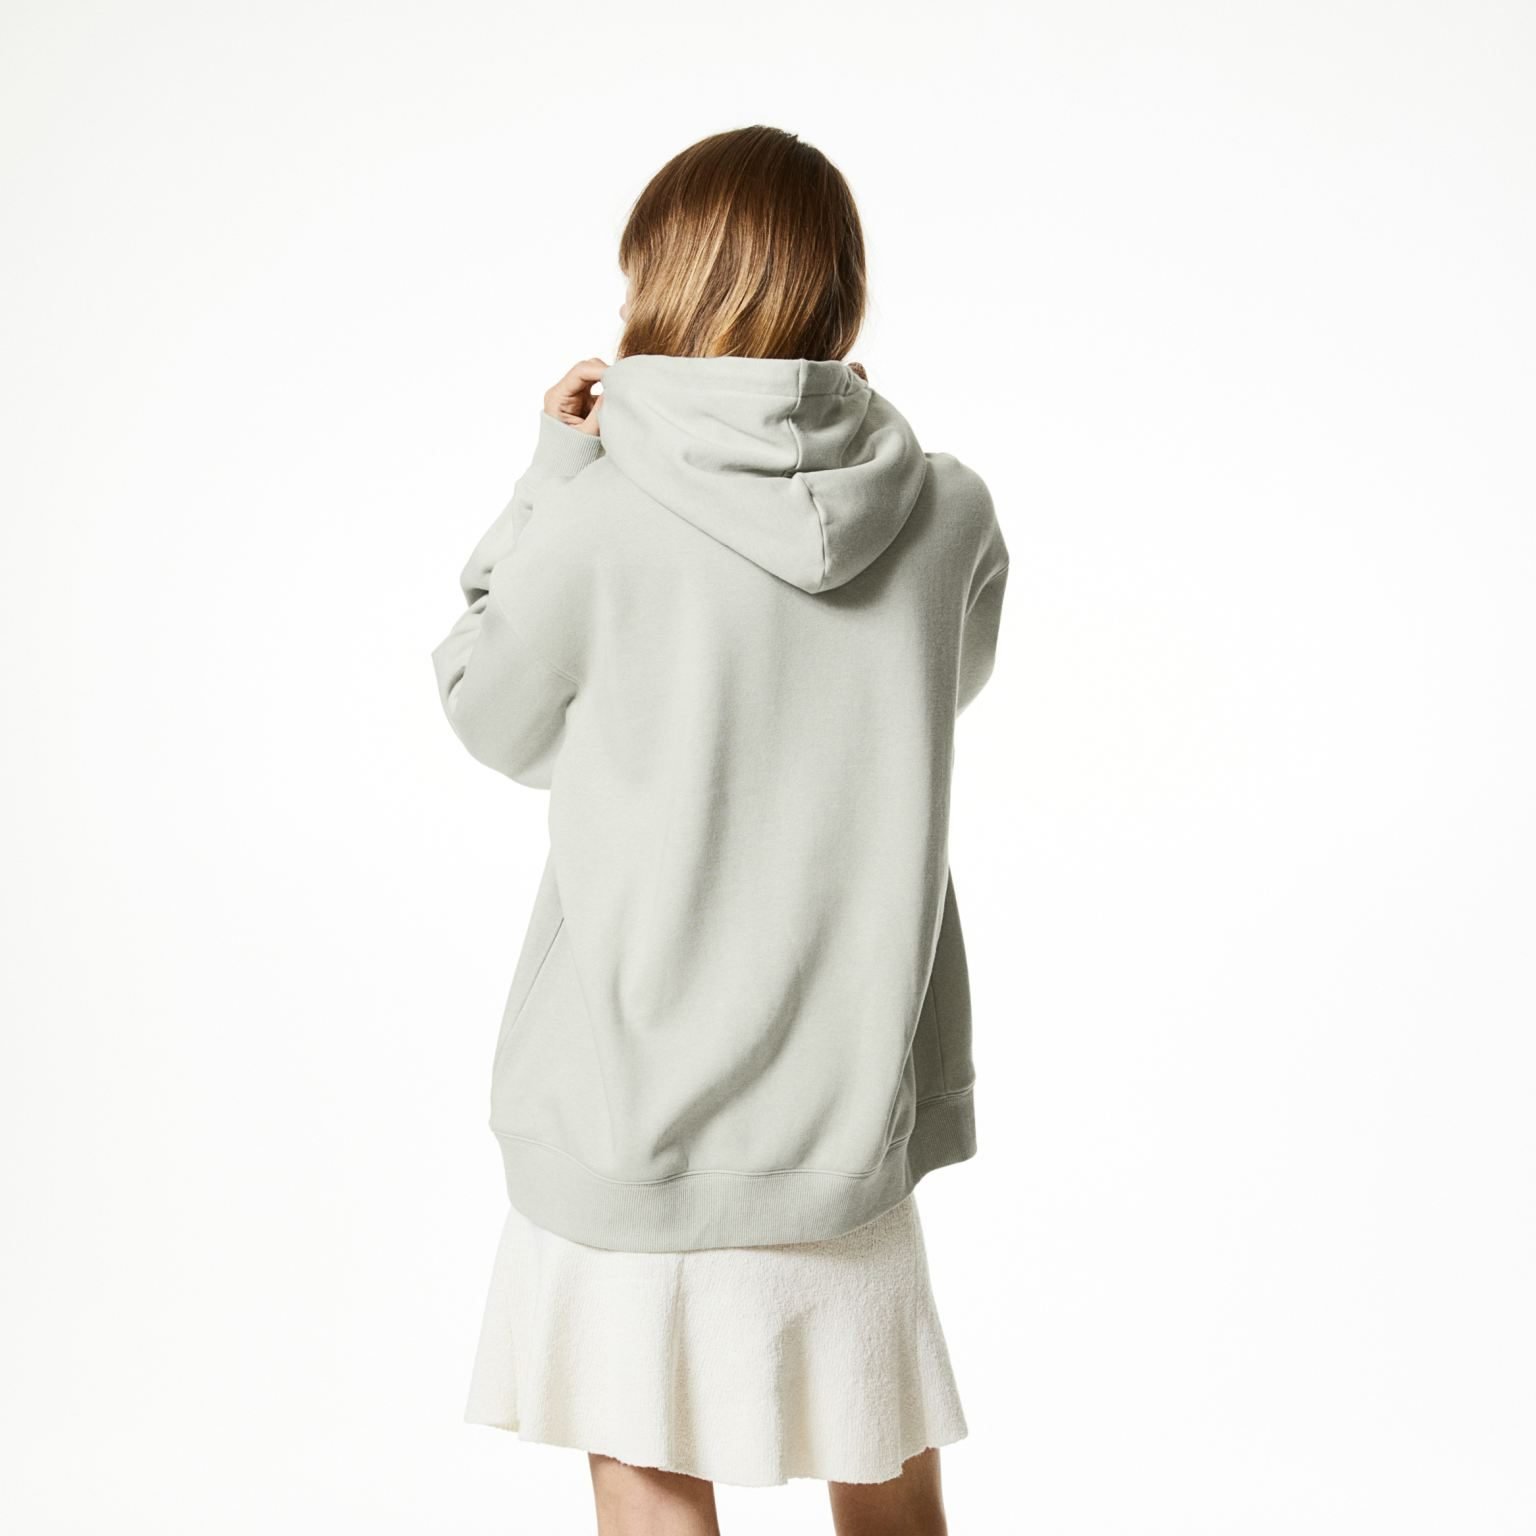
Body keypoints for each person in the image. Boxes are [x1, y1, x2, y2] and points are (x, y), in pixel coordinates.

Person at [430, 123, 1009, 1536]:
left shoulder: (600, 515)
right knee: (889, 1496)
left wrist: (552, 476)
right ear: (841, 293)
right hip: (844, 1119)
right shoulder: (946, 512)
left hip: (632, 1122)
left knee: (649, 1485)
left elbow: (492, 717)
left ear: (662, 282)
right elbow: (945, 688)